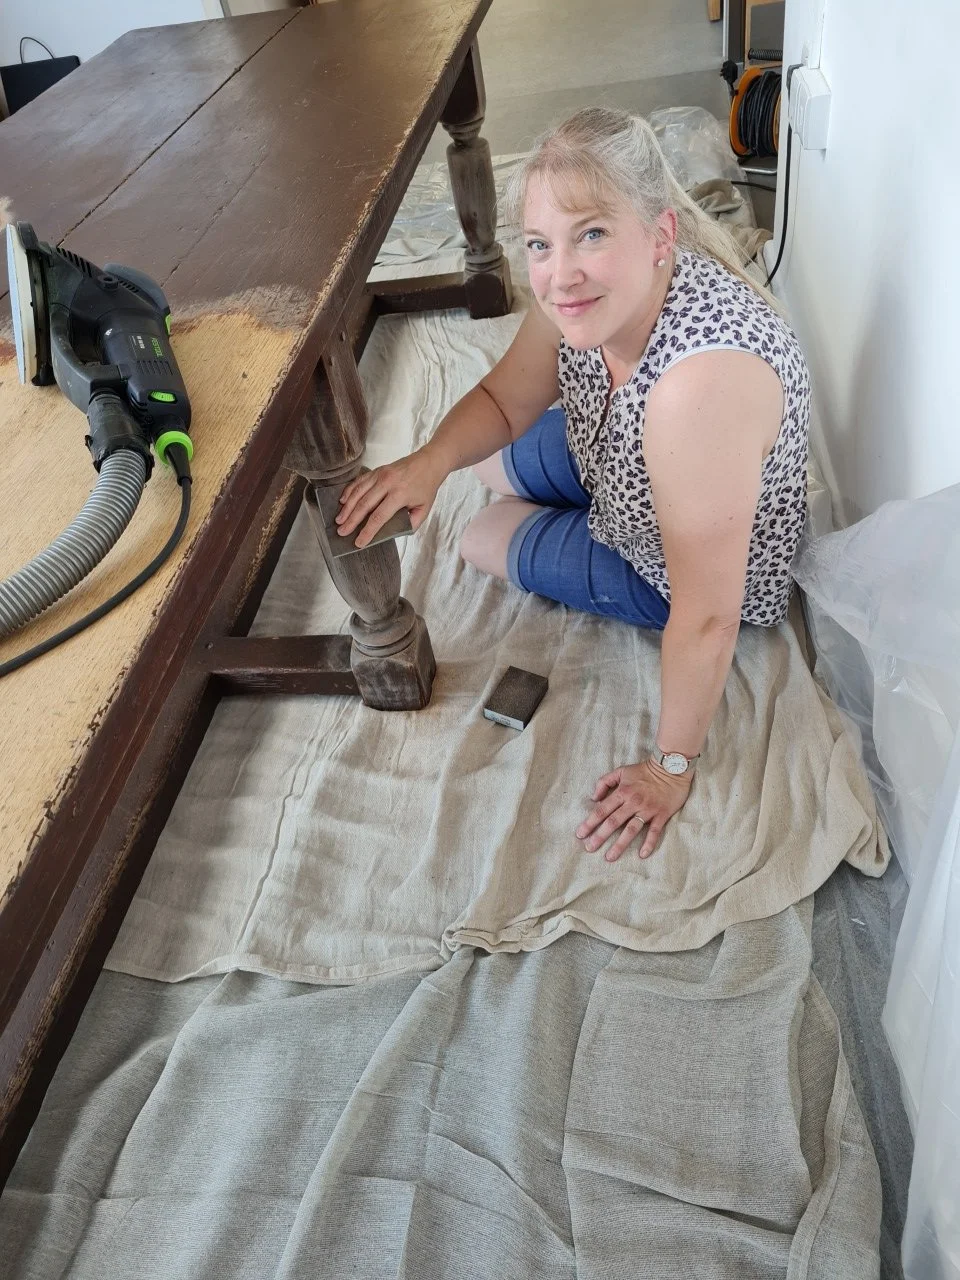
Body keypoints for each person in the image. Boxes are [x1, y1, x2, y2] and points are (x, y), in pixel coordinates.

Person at [336, 107, 810, 862]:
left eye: (592, 234)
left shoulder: (700, 391)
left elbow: (707, 617)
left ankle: (577, 530)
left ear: (660, 237)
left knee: (479, 535)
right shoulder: (578, 300)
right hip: (618, 455)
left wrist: (669, 768)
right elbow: (502, 401)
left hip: (678, 563)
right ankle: (556, 494)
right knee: (482, 461)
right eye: (539, 245)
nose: (560, 275)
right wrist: (430, 462)